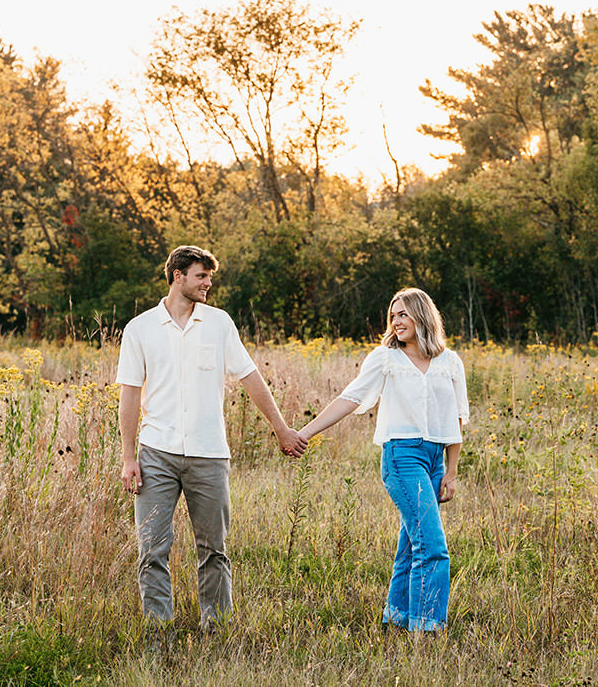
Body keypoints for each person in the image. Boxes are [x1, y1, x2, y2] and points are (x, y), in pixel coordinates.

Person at [116, 245, 307, 636]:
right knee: (151, 549)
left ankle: (216, 631)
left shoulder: (220, 323)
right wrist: (128, 457)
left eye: (209, 277)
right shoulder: (140, 329)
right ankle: (158, 634)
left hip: (209, 454)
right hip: (156, 454)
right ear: (178, 276)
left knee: (214, 550)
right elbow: (130, 395)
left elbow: (250, 378)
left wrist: (281, 428)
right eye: (201, 276)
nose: (207, 284)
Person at [297, 287, 468, 633]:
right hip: (402, 457)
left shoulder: (450, 361)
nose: (396, 321)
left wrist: (451, 472)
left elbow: (457, 420)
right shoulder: (386, 358)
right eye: (393, 315)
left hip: (435, 460)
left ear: (422, 315)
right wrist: (304, 433)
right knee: (432, 546)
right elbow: (350, 398)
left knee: (412, 543)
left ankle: (397, 618)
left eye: (403, 314)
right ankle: (427, 628)